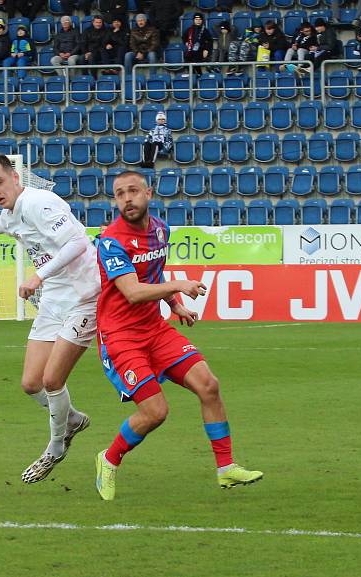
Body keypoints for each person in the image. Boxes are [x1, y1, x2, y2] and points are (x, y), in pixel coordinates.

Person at [93, 170, 263, 501]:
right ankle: (108, 459)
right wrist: (179, 286)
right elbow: (132, 291)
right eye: (119, 194)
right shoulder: (112, 241)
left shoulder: (160, 230)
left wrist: (175, 304)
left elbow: (152, 273)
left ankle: (226, 467)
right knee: (155, 412)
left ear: (148, 193)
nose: (127, 198)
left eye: (133, 191)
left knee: (209, 385)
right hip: (121, 336)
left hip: (154, 328)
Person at [0, 152, 99, 484]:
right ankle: (70, 419)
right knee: (31, 383)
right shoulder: (13, 211)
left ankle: (56, 447)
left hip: (84, 296)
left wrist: (38, 276)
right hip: (54, 300)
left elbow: (77, 242)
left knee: (52, 380)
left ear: (15, 177)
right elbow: (3, 223)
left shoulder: (38, 202)